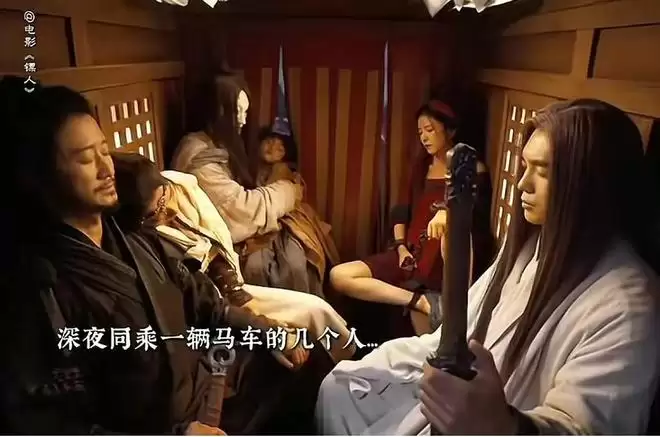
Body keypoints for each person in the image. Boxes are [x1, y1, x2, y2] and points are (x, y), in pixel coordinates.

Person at [0, 77, 332, 435]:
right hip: (167, 427)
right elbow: (51, 422)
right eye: (84, 158)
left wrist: (270, 331)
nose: (106, 169)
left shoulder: (136, 239)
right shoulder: (40, 287)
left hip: (209, 383)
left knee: (310, 363)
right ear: (45, 175)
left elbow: (208, 306)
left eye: (104, 151)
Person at [315, 99, 660, 435]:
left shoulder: (626, 305)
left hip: (493, 418)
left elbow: (584, 426)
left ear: (591, 182)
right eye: (525, 166)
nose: (523, 183)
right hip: (443, 340)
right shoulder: (531, 245)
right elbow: (467, 324)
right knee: (341, 386)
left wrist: (500, 424)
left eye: (543, 171)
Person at [111, 151, 356, 362]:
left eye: (164, 197)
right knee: (298, 305)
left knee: (316, 308)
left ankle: (354, 363)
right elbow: (206, 303)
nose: (167, 209)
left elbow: (216, 236)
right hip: (216, 302)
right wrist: (272, 333)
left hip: (228, 283)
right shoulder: (143, 245)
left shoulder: (182, 186)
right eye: (155, 212)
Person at [329, 100, 495, 334]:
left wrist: (446, 212)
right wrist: (400, 248)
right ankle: (417, 301)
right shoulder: (422, 166)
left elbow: (472, 211)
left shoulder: (472, 168)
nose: (424, 137)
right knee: (339, 276)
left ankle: (426, 300)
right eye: (420, 132)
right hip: (409, 255)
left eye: (430, 130)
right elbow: (401, 209)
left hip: (439, 261)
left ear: (450, 131)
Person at [171, 73, 322, 295]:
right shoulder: (200, 157)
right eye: (237, 112)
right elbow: (241, 209)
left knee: (297, 257)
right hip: (230, 231)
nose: (243, 120)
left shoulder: (223, 144)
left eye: (245, 112)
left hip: (262, 217)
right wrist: (289, 191)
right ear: (219, 112)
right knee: (276, 266)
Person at [255, 121, 341, 289]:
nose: (272, 147)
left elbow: (271, 202)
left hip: (288, 223)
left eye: (280, 146)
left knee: (294, 265)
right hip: (263, 223)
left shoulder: (282, 170)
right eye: (269, 141)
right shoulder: (253, 170)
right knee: (257, 266)